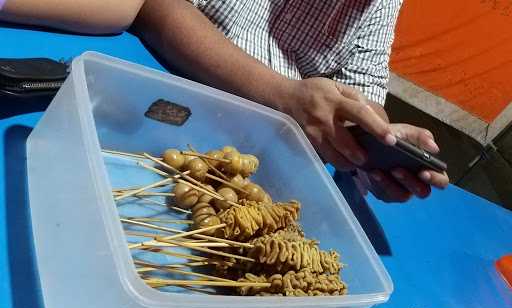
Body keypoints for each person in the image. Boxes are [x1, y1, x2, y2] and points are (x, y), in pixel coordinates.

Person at [0, 0, 449, 203]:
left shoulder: (379, 4)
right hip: (149, 96)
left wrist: (372, 144)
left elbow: (365, 89)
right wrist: (283, 95)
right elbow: (154, 8)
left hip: (250, 159)